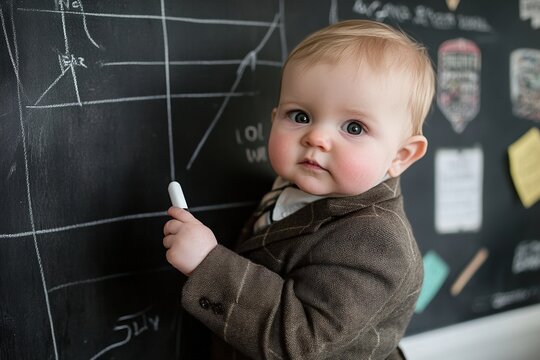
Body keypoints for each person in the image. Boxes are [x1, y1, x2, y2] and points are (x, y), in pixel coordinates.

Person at [163, 19, 435, 359]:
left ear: (400, 156)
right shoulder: (296, 187)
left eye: (354, 127)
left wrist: (208, 264)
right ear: (275, 117)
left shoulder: (378, 243)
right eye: (301, 116)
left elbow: (300, 340)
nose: (316, 137)